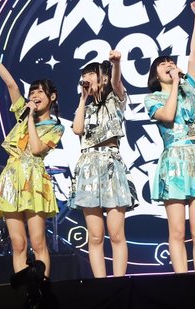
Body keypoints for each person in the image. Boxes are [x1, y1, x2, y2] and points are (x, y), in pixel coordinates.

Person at [144, 1, 195, 274]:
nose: (169, 65)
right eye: (163, 65)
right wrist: (177, 82)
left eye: (171, 62)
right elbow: (168, 116)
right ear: (156, 75)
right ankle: (181, 279)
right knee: (177, 230)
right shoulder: (153, 99)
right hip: (173, 161)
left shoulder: (188, 88)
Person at [0, 42, 64, 280]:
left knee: (37, 242)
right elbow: (11, 84)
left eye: (40, 92)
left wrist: (29, 119)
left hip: (34, 180)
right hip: (11, 178)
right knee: (18, 243)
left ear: (52, 97)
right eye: (32, 92)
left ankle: (42, 286)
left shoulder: (55, 127)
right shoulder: (22, 111)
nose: (34, 95)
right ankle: (22, 289)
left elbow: (37, 149)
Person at [69, 51, 136, 278]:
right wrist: (82, 99)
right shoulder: (85, 107)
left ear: (103, 78)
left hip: (110, 165)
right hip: (88, 167)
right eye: (84, 75)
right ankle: (100, 283)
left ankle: (119, 283)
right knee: (95, 235)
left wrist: (116, 64)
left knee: (116, 234)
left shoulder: (115, 100)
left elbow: (116, 82)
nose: (86, 78)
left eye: (90, 74)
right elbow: (78, 129)